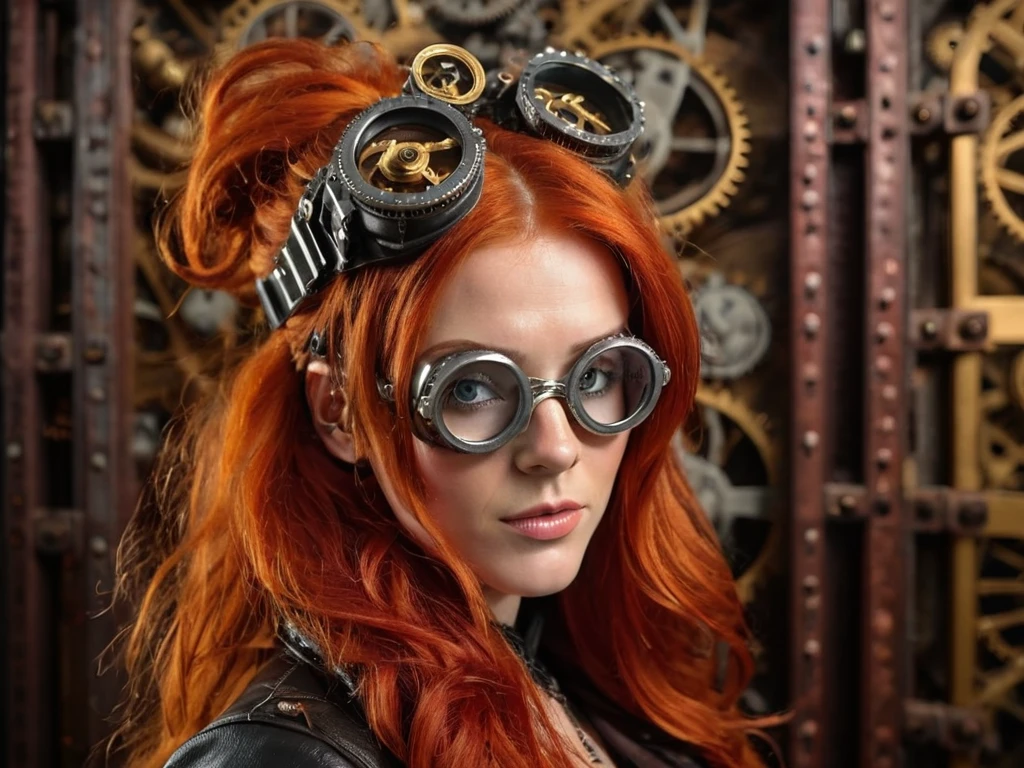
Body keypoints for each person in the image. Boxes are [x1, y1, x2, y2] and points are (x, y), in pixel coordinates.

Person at [108, 36, 774, 768]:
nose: (554, 447)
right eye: (474, 387)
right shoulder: (280, 758)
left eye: (594, 376)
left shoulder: (573, 681)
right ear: (340, 413)